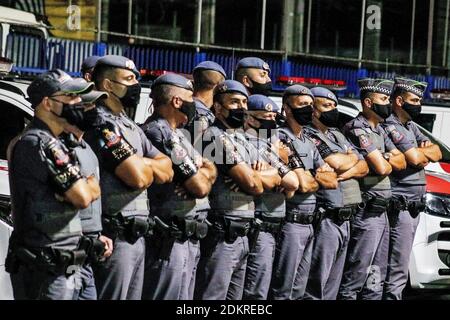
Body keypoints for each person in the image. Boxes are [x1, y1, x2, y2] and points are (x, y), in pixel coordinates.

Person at [84, 55, 174, 300]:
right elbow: (137, 178)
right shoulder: (100, 123)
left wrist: (138, 161)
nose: (136, 85)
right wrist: (144, 164)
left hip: (137, 236)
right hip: (115, 236)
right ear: (108, 85)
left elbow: (167, 169)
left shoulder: (130, 126)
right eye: (129, 79)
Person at [5, 69, 100, 300]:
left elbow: (92, 188)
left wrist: (84, 186)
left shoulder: (58, 142)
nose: (78, 103)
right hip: (46, 265)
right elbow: (83, 197)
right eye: (70, 97)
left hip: (67, 260)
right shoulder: (39, 142)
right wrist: (84, 186)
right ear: (47, 103)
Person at [194, 80, 277, 300]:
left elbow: (276, 176)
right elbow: (254, 185)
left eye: (243, 102)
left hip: (244, 233)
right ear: (218, 108)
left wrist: (253, 174)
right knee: (213, 296)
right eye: (234, 102)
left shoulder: (243, 138)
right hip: (223, 233)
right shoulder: (214, 136)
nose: (240, 107)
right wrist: (255, 175)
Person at [141, 73, 217, 300]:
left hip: (189, 236)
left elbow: (210, 171)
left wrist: (202, 173)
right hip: (169, 238)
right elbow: (200, 187)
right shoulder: (159, 132)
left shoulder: (180, 135)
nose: (194, 105)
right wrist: (200, 175)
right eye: (190, 99)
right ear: (177, 101)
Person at [338, 78, 407, 300]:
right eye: (384, 99)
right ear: (368, 102)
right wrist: (387, 159)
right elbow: (383, 167)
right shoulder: (358, 128)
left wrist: (385, 158)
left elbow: (401, 162)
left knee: (376, 277)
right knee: (356, 275)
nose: (388, 104)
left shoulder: (381, 130)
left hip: (382, 212)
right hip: (366, 213)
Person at [270, 85, 338, 300]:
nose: (309, 110)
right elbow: (303, 184)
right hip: (291, 222)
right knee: (283, 288)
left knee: (299, 289)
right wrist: (314, 176)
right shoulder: (280, 137)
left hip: (310, 223)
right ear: (287, 109)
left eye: (310, 105)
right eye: (302, 105)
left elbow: (331, 180)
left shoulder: (308, 140)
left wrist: (309, 176)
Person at [302, 87, 369, 300]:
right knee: (316, 284)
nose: (333, 110)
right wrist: (348, 160)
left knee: (333, 284)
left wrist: (344, 168)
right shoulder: (310, 135)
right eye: (327, 106)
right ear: (313, 110)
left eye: (334, 106)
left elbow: (364, 166)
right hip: (327, 218)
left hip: (346, 217)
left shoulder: (337, 134)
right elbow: (335, 162)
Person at [381, 78, 442, 300]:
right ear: (399, 101)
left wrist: (421, 153)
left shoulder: (411, 126)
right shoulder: (390, 125)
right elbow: (416, 158)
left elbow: (436, 152)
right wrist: (419, 153)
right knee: (395, 268)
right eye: (414, 100)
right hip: (400, 207)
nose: (418, 105)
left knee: (400, 265)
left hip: (413, 208)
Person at [242, 94, 299, 300]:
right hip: (259, 225)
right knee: (253, 292)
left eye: (274, 116)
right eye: (266, 116)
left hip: (274, 224)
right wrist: (275, 178)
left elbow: (292, 185)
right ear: (249, 118)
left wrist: (271, 176)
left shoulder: (268, 145)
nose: (272, 121)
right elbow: (284, 182)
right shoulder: (247, 143)